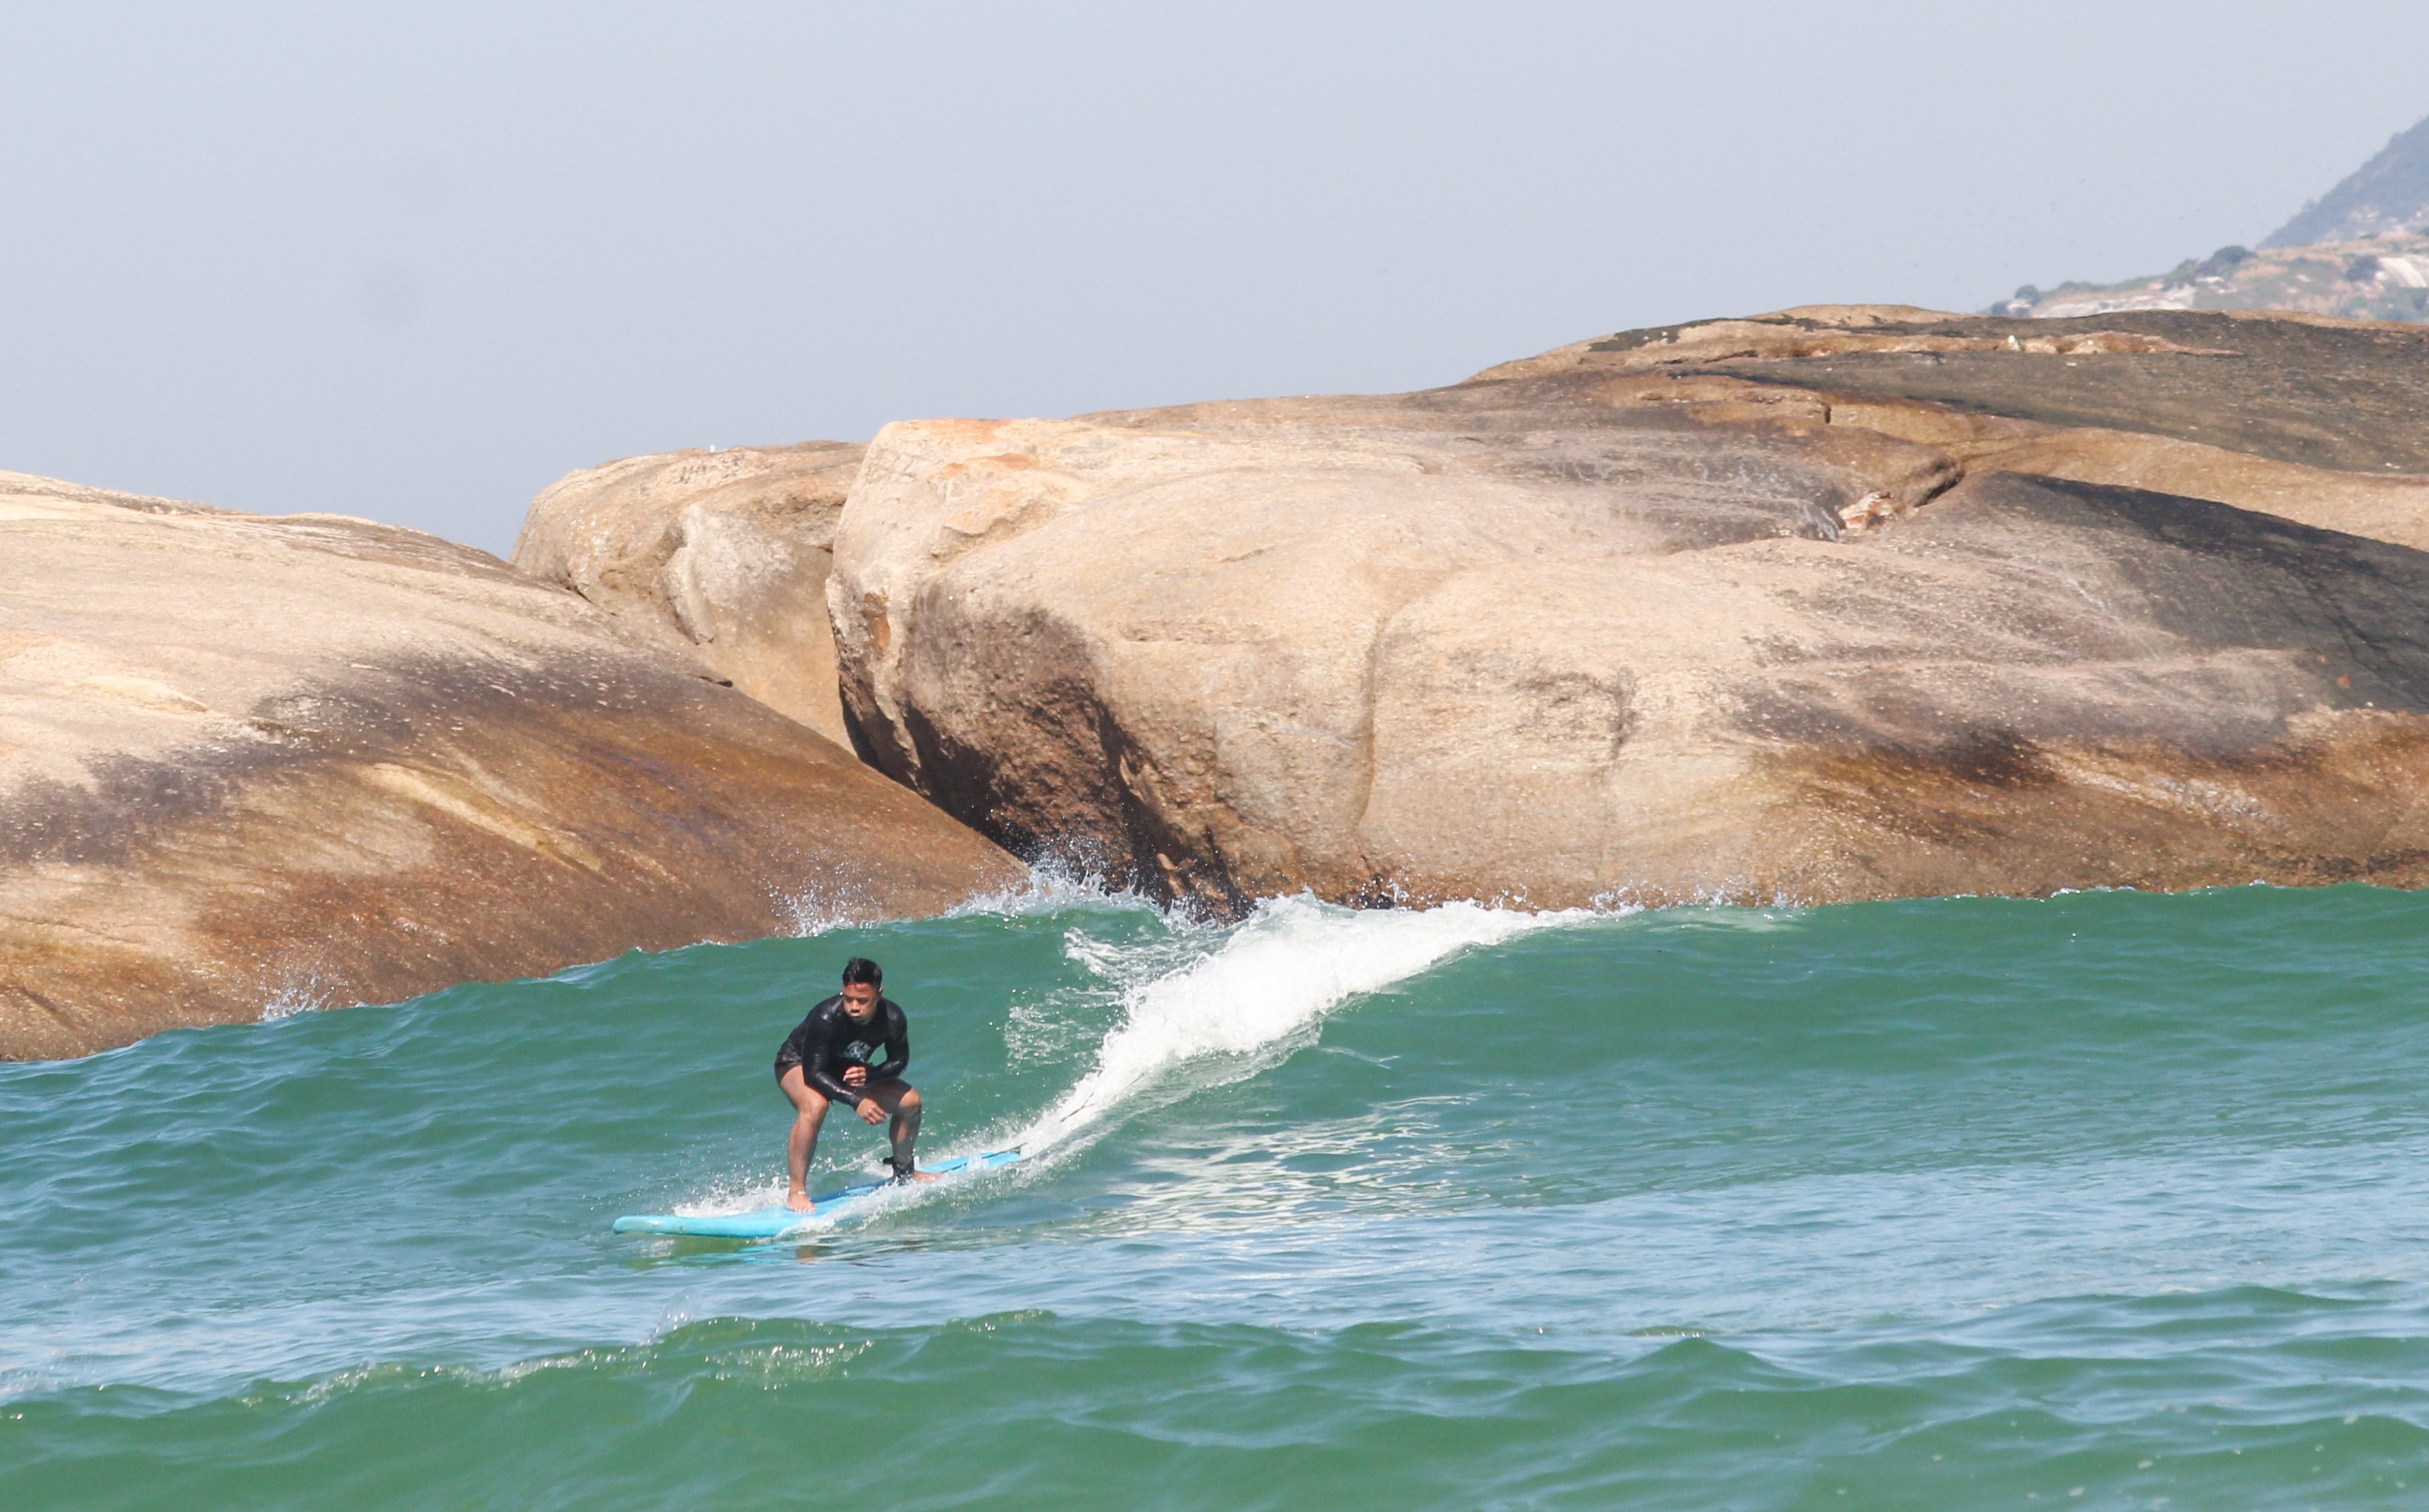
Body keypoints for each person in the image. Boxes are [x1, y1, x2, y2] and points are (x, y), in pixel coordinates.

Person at [774, 957, 938, 1212]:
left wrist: (870, 1075)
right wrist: (856, 1100)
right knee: (815, 1106)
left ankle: (904, 1172)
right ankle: (796, 1192)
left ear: (879, 994)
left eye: (863, 1001)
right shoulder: (826, 1017)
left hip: (846, 1072)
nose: (854, 1007)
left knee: (911, 1103)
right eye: (848, 998)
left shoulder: (893, 1018)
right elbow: (813, 1074)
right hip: (797, 1064)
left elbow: (900, 1061)